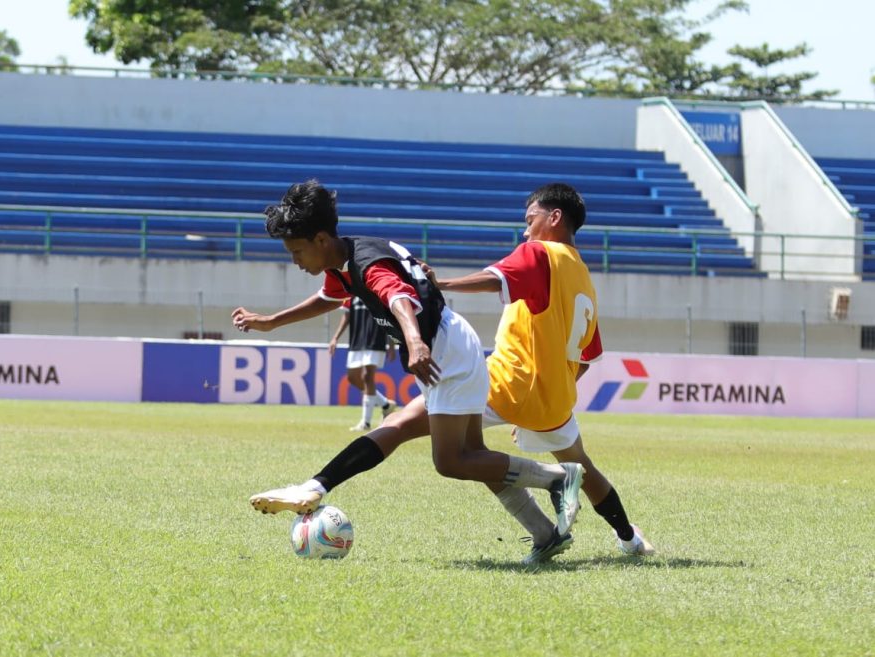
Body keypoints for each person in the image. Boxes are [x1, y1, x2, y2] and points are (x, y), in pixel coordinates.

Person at [248, 182, 653, 564]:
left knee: (446, 455)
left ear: (554, 218)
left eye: (530, 219)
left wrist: (426, 317)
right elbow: (584, 355)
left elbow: (415, 294)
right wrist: (271, 322)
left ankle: (557, 480)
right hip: (548, 393)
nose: (526, 230)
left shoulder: (538, 254)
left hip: (486, 369)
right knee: (472, 453)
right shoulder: (582, 274)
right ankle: (604, 536)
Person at [329, 296, 398, 431]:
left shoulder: (379, 289)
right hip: (357, 340)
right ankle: (385, 404)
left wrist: (391, 343)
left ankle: (365, 423)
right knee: (353, 378)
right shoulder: (351, 291)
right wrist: (335, 338)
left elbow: (389, 318)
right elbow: (347, 315)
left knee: (368, 376)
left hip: (376, 339)